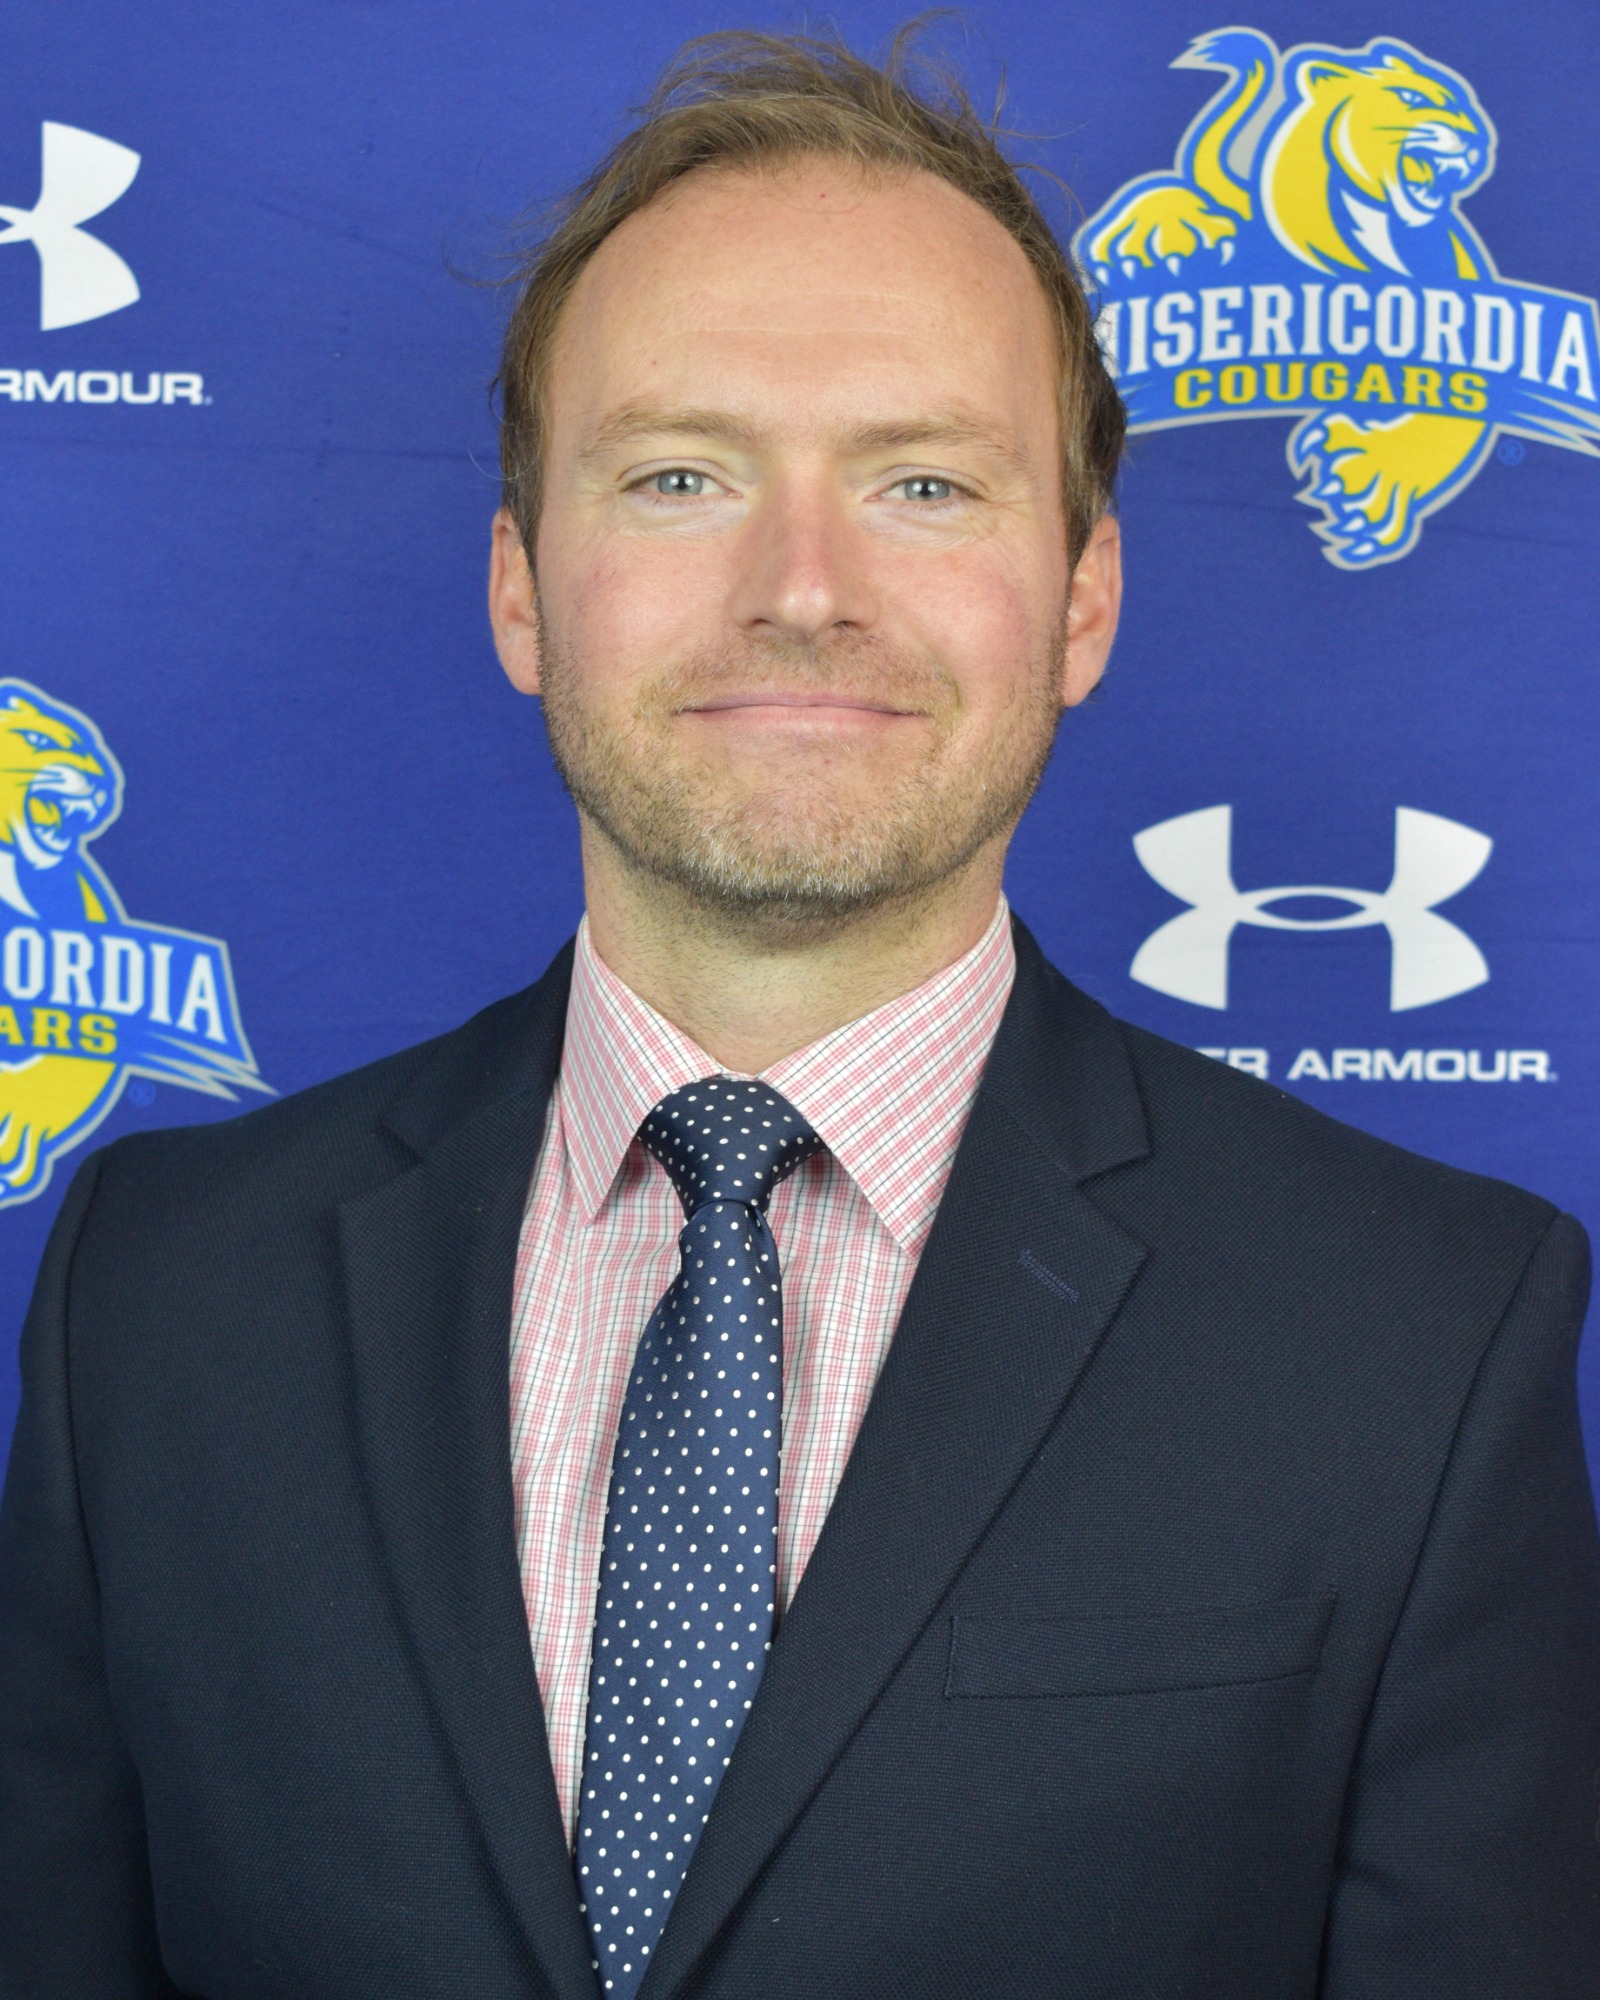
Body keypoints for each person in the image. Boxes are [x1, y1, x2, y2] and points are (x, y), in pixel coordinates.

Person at [1, 25, 1597, 1999]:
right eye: (680, 475)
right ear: (522, 589)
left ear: (1082, 599)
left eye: (924, 482)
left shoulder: (1418, 1335)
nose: (802, 588)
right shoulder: (158, 1295)